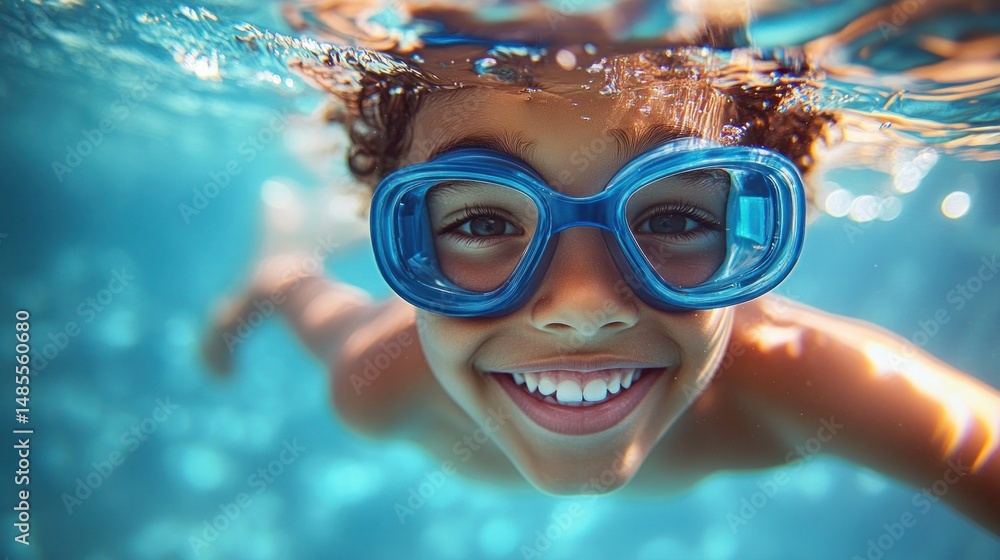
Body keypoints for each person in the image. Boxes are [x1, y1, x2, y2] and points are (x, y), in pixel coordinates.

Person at [202, 3, 1000, 535]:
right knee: (298, 295)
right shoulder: (379, 385)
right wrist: (277, 290)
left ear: (751, 238)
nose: (585, 304)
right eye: (481, 221)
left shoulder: (815, 382)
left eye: (674, 217)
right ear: (400, 238)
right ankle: (277, 263)